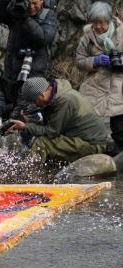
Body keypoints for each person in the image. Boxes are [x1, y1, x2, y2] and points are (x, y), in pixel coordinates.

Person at [8, 77, 107, 163]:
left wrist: (25, 127)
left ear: (42, 95)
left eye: (35, 101)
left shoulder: (64, 101)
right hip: (80, 137)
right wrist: (29, 123)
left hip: (92, 144)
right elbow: (52, 124)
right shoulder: (56, 95)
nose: (35, 105)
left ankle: (29, 174)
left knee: (43, 143)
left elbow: (52, 132)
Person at [0, 0, 58, 115]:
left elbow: (44, 38)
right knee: (10, 107)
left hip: (32, 74)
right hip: (11, 72)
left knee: (23, 111)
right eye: (29, 3)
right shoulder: (16, 11)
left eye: (35, 3)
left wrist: (25, 19)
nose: (31, 7)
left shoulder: (48, 14)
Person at [75, 1, 123, 155]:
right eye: (95, 23)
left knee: (119, 128)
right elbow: (79, 61)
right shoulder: (87, 38)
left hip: (118, 85)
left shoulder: (121, 33)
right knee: (91, 124)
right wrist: (94, 61)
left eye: (102, 23)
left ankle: (119, 159)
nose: (98, 27)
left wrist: (119, 62)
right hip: (94, 86)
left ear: (110, 20)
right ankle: (95, 155)